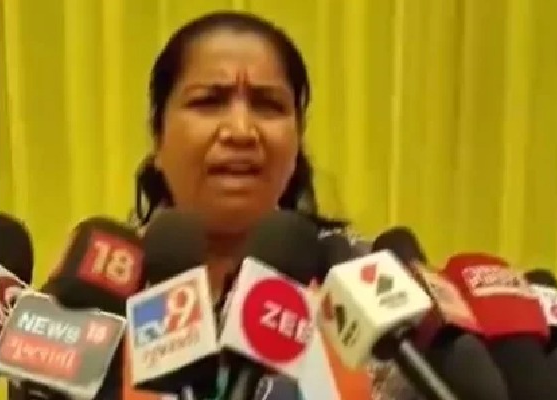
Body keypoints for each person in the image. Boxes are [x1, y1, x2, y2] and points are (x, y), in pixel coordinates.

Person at [126, 10, 416, 400]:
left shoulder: (362, 288)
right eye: (209, 101)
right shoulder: (104, 295)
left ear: (297, 140)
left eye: (268, 105)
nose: (241, 131)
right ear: (158, 136)